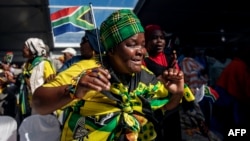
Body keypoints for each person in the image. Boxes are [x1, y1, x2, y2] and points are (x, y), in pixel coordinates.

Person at [32, 9, 189, 141]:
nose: (141, 51)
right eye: (132, 44)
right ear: (112, 49)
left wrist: (178, 93)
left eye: (142, 44)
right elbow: (38, 102)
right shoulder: (88, 71)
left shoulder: (145, 77)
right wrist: (75, 90)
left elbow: (165, 106)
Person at [143, 24, 182, 140]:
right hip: (153, 109)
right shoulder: (142, 61)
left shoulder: (170, 59)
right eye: (154, 38)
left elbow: (179, 79)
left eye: (162, 38)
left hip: (172, 107)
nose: (159, 41)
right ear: (147, 41)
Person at [15, 38, 56, 120]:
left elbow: (53, 86)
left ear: (32, 49)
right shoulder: (27, 65)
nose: (22, 49)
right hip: (27, 105)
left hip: (41, 106)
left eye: (24, 47)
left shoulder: (44, 64)